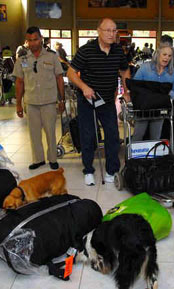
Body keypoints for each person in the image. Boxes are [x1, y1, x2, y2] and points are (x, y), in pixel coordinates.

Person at [67, 18, 130, 186]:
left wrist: (126, 90)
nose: (111, 34)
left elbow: (125, 70)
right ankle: (88, 170)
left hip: (108, 100)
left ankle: (111, 170)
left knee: (113, 136)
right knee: (88, 136)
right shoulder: (86, 50)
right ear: (99, 31)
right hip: (87, 100)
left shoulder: (118, 51)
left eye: (114, 30)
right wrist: (84, 87)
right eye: (108, 30)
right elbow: (71, 73)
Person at [13, 26, 65, 171]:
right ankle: (38, 159)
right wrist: (18, 104)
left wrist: (62, 99)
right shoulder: (23, 59)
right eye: (29, 40)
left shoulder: (52, 56)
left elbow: (59, 78)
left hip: (49, 101)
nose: (33, 43)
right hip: (31, 102)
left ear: (41, 39)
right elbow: (19, 82)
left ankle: (53, 159)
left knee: (50, 132)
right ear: (26, 41)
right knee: (34, 133)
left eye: (35, 39)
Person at [132, 43, 174, 141]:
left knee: (155, 137)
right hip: (143, 108)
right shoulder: (145, 68)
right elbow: (135, 85)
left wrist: (170, 96)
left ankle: (153, 155)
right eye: (164, 54)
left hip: (159, 108)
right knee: (138, 135)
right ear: (158, 54)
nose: (166, 58)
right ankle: (135, 155)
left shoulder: (172, 71)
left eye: (169, 56)